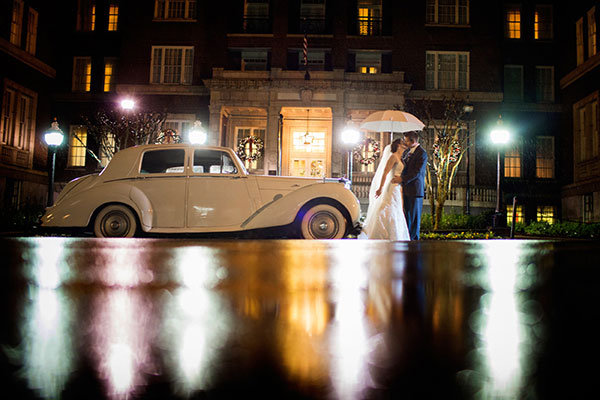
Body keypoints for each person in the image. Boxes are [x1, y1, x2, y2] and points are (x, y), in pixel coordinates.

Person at [359, 139, 410, 241]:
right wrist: (380, 188)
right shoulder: (393, 157)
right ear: (398, 145)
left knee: (396, 209)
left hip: (397, 187)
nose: (405, 145)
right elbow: (385, 172)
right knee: (387, 207)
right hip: (391, 187)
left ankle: (396, 233)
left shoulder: (401, 159)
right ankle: (381, 232)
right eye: (403, 143)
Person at [391, 131, 427, 240]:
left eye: (406, 140)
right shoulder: (408, 152)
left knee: (414, 218)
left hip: (415, 190)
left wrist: (402, 179)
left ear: (412, 141)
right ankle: (407, 239)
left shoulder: (422, 153)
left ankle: (414, 241)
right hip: (405, 189)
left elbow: (417, 172)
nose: (405, 143)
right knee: (407, 217)